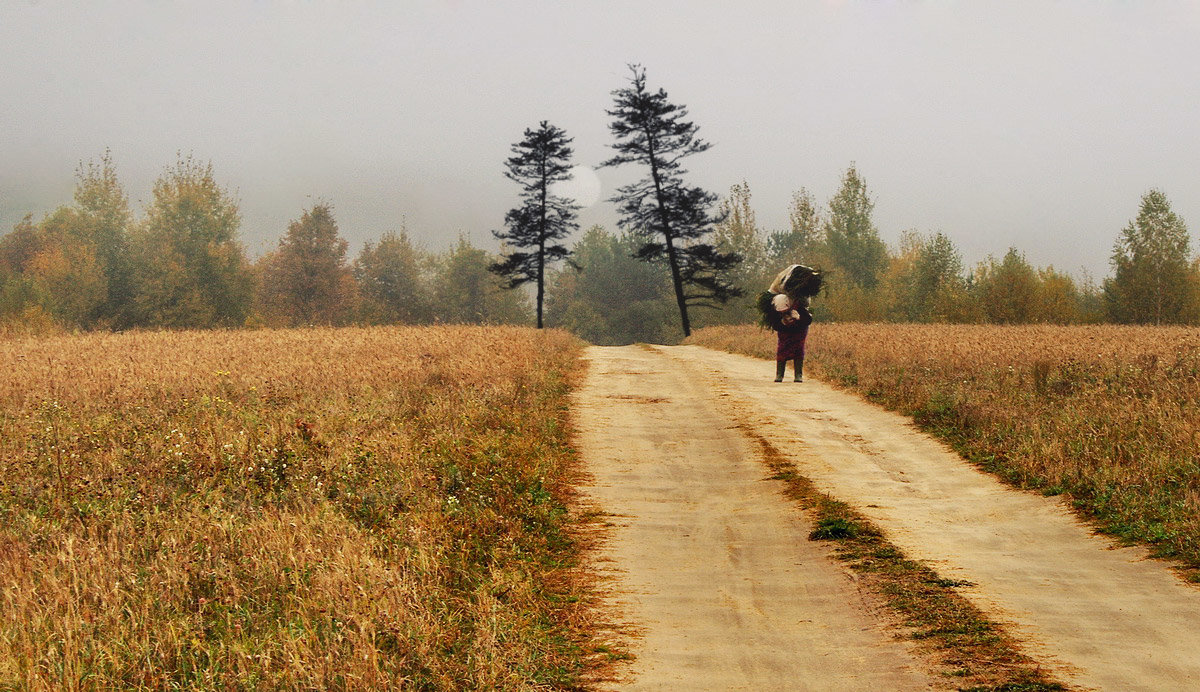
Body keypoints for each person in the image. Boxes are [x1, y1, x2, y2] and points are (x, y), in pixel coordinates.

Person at [757, 264, 822, 382]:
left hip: (799, 330)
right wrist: (783, 322)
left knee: (799, 349)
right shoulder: (778, 305)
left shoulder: (801, 304)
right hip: (785, 331)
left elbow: (807, 320)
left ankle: (798, 375)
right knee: (782, 349)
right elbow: (776, 325)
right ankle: (779, 375)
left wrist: (798, 318)